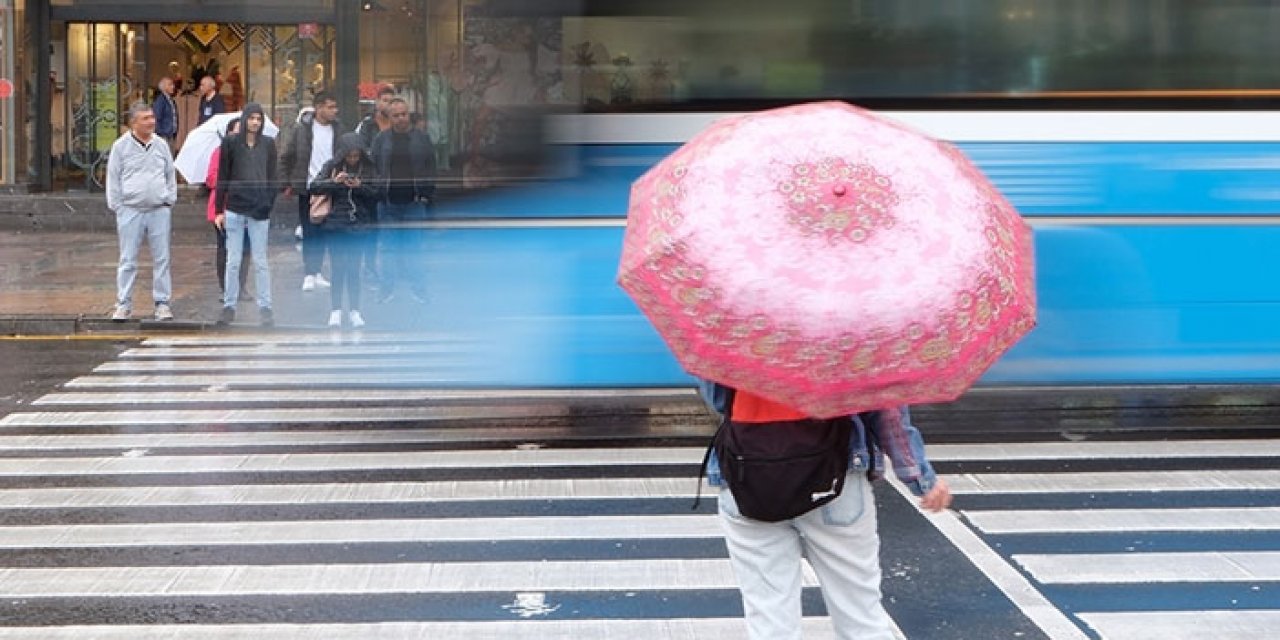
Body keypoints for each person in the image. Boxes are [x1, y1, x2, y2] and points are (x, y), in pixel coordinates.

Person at [698, 381, 952, 640]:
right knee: (860, 617)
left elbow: (720, 400)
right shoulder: (849, 339)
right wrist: (921, 479)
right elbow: (886, 409)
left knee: (769, 619)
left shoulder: (732, 341)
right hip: (835, 476)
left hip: (749, 476)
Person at [105, 102, 177, 322]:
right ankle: (124, 303)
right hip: (130, 210)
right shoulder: (121, 146)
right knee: (127, 259)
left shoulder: (161, 145)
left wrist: (169, 199)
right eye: (145, 118)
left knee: (162, 258)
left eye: (152, 117)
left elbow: (169, 173)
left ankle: (162, 303)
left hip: (158, 209)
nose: (151, 121)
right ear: (133, 123)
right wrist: (118, 205)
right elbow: (113, 177)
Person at [214, 103, 278, 327]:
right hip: (235, 206)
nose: (255, 123)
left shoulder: (268, 144)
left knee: (260, 260)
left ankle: (265, 307)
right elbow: (223, 175)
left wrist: (269, 202)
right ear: (244, 120)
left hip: (259, 207)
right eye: (251, 118)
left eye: (258, 119)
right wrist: (218, 210)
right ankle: (229, 306)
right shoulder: (231, 142)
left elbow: (273, 177)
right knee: (233, 260)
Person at [371, 97, 436, 304]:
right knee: (387, 248)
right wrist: (378, 191)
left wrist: (426, 193)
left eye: (404, 114)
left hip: (414, 201)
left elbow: (430, 167)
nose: (401, 119)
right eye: (396, 115)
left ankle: (419, 289)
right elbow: (374, 167)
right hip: (388, 202)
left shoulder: (421, 139)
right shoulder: (381, 140)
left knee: (414, 248)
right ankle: (386, 289)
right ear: (389, 118)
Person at [310, 133, 378, 329]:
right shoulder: (332, 166)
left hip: (359, 224)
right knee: (338, 268)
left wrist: (360, 186)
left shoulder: (369, 168)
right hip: (336, 225)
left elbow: (378, 193)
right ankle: (336, 311)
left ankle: (355, 311)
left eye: (356, 156)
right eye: (349, 156)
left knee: (354, 269)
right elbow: (313, 187)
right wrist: (335, 182)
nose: (353, 160)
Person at [280, 91, 342, 292]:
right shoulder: (302, 130)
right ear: (318, 107)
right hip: (308, 188)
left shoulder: (338, 129)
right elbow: (286, 156)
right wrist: (287, 183)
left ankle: (318, 273)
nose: (335, 111)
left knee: (325, 232)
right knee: (309, 232)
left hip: (331, 187)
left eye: (335, 107)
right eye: (330, 106)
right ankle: (309, 273)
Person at [204, 116, 250, 301]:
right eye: (236, 131)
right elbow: (210, 179)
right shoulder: (219, 152)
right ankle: (227, 289)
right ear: (229, 133)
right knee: (225, 249)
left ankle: (242, 287)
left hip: (247, 207)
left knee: (245, 250)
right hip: (223, 207)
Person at [355, 84, 396, 149]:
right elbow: (360, 148)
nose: (388, 104)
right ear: (377, 102)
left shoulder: (397, 123)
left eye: (391, 101)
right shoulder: (367, 125)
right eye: (385, 100)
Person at [151, 77, 178, 147]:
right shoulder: (160, 101)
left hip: (171, 135)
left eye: (173, 84)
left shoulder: (171, 100)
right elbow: (156, 118)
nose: (173, 86)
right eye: (170, 85)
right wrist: (161, 135)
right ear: (163, 87)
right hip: (164, 136)